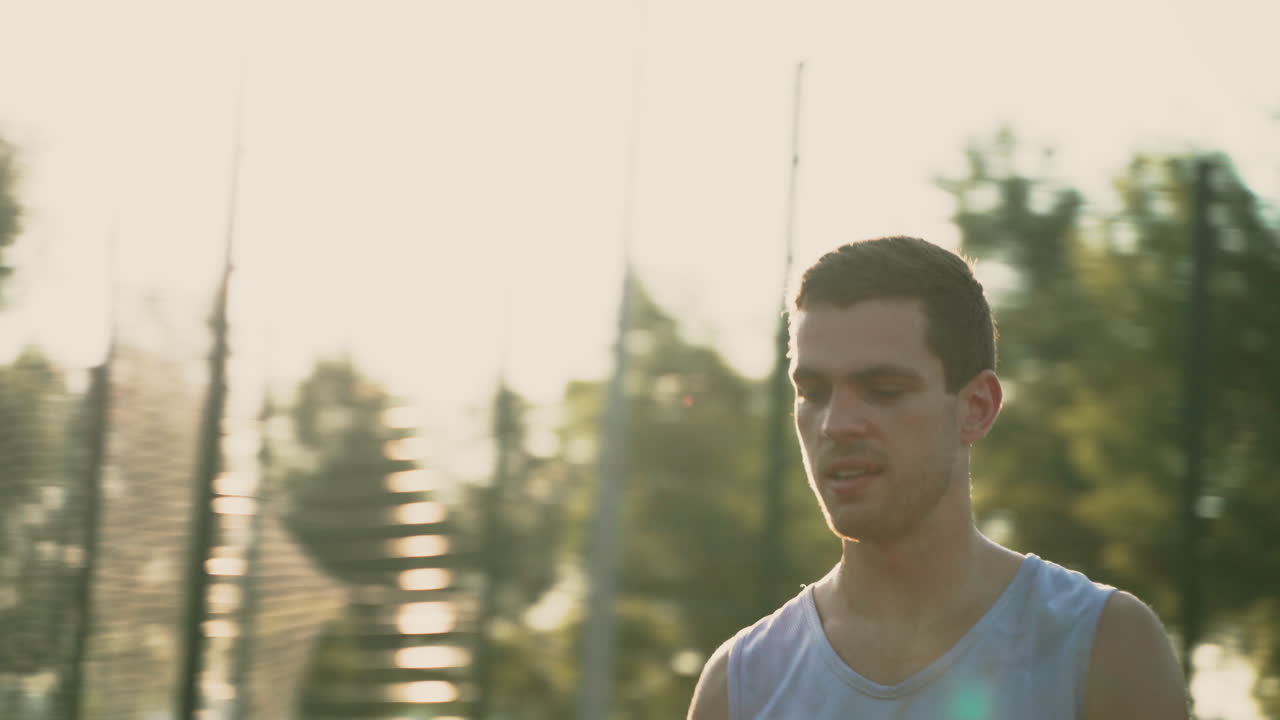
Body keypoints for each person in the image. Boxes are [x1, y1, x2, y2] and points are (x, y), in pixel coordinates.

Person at [687, 236, 1187, 719]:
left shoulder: (1101, 646)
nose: (835, 424)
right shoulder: (740, 686)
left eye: (883, 390)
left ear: (977, 407)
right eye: (813, 393)